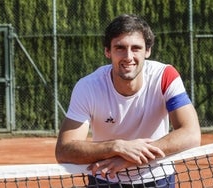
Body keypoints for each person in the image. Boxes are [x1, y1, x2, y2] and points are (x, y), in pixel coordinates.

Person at [55, 14, 201, 187]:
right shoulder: (88, 87)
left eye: (136, 48)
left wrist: (131, 159)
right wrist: (117, 147)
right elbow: (64, 150)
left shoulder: (165, 76)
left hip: (158, 179)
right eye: (120, 48)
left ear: (147, 51)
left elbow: (191, 134)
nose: (128, 56)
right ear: (107, 51)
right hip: (105, 179)